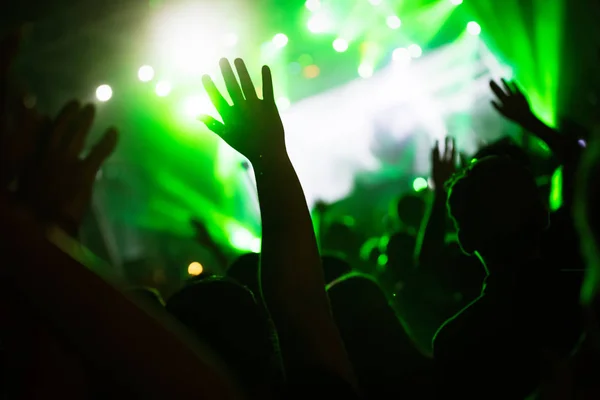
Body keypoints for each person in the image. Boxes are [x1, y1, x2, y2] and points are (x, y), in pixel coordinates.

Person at [433, 156, 584, 399]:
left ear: (465, 241)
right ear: (542, 215)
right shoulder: (588, 297)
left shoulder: (455, 340)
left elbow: (426, 265)